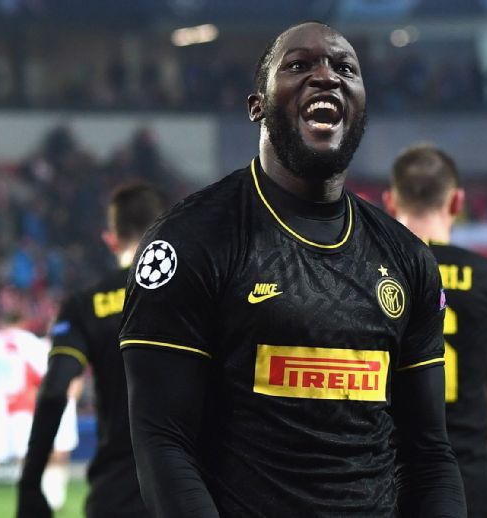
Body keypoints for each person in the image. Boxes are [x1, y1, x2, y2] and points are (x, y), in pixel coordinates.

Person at [119, 21, 465, 517]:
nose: (326, 76)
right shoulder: (190, 240)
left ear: (362, 107)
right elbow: (163, 442)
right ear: (257, 105)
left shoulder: (407, 258)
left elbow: (430, 454)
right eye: (299, 65)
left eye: (345, 68)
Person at [383, 144, 487, 517]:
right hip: (466, 478)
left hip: (383, 481)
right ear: (457, 202)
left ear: (390, 202)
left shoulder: (371, 271)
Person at [17, 183, 168, 518]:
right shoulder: (203, 293)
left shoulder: (84, 305)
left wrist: (30, 482)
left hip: (116, 494)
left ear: (110, 239)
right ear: (166, 230)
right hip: (192, 492)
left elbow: (55, 390)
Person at [0, 314, 51, 518]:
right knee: (28, 459)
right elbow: (43, 376)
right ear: (21, 322)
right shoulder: (31, 342)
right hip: (23, 406)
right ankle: (33, 504)